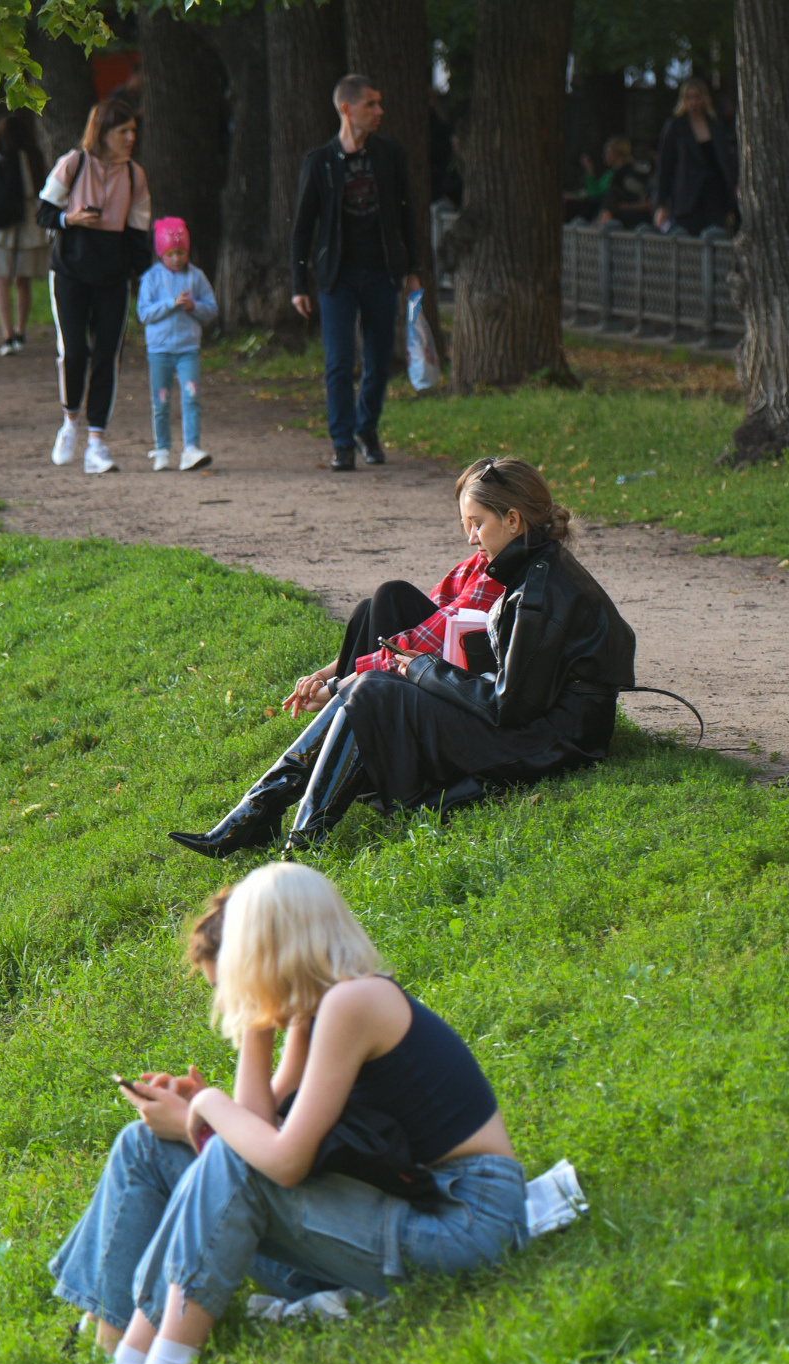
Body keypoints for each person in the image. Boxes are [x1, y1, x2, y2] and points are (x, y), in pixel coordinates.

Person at [49, 863, 528, 1364]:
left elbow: (283, 1161)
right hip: (401, 1211)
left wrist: (204, 1107)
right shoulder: (317, 1013)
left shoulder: (356, 1003)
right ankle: (125, 1361)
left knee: (231, 1155)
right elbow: (260, 1124)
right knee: (151, 1145)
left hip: (466, 1223)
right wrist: (255, 1025)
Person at [169, 456, 634, 858]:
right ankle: (261, 812)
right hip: (542, 726)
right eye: (467, 524)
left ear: (513, 520)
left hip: (552, 742)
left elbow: (505, 706)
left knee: (373, 688)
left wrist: (422, 668)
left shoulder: (538, 590)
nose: (472, 538)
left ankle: (292, 837)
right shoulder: (534, 567)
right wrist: (413, 670)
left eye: (479, 524)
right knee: (372, 680)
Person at [290, 74, 427, 473]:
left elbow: (406, 215)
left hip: (382, 273)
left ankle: (367, 427)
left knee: (380, 358)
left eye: (379, 103)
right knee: (339, 360)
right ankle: (342, 443)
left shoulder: (389, 156)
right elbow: (302, 226)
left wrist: (413, 269)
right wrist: (300, 283)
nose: (379, 111)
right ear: (347, 109)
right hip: (337, 277)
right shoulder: (320, 162)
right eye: (371, 104)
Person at [39, 96, 151, 474]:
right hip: (69, 272)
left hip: (113, 277)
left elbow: (138, 234)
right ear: (103, 132)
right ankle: (70, 421)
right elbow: (44, 213)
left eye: (134, 131)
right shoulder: (73, 164)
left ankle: (97, 443)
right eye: (124, 131)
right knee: (74, 351)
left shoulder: (135, 175)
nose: (131, 137)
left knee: (108, 356)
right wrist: (71, 219)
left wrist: (145, 279)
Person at [136, 216, 217, 473]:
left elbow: (211, 309)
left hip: (187, 349)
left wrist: (194, 307)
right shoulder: (151, 278)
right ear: (161, 253)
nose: (176, 259)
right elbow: (144, 313)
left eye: (181, 253)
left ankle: (191, 448)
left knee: (191, 397)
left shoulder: (196, 277)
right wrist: (170, 304)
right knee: (161, 400)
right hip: (159, 350)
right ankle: (162, 448)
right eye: (170, 253)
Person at [0, 112, 51, 358]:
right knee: (22, 280)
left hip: (2, 228)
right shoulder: (33, 157)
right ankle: (19, 330)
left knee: (2, 280)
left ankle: (8, 334)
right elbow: (37, 191)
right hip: (28, 225)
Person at [653, 77, 738, 238]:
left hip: (714, 194)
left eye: (697, 96)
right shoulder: (675, 127)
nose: (694, 102)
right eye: (689, 97)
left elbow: (724, 162)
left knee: (716, 236)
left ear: (705, 98)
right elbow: (665, 166)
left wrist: (730, 199)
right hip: (687, 196)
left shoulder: (716, 125)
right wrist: (661, 204)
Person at [586, 135, 653, 228]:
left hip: (635, 213)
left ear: (616, 154)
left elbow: (645, 201)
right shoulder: (615, 173)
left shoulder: (629, 172)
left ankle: (601, 221)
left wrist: (623, 206)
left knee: (611, 193)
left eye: (607, 152)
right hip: (621, 208)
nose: (604, 156)